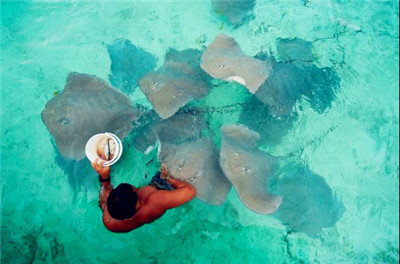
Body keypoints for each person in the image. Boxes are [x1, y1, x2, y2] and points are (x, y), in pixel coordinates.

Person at [91, 159, 196, 232]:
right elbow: (191, 191)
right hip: (161, 186)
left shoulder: (110, 223)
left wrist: (104, 177)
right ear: (137, 204)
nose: (135, 187)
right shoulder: (156, 201)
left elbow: (104, 199)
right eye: (135, 189)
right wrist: (169, 178)